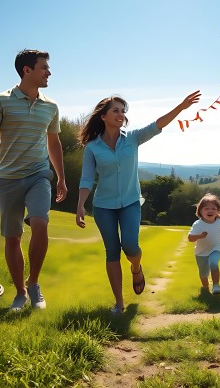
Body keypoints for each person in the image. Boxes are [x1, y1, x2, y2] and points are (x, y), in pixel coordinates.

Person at [76, 91, 201, 314]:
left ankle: (136, 267)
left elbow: (157, 125)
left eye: (123, 111)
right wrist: (80, 205)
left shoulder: (132, 138)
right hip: (103, 206)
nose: (121, 114)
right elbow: (86, 178)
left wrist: (181, 107)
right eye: (116, 110)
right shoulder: (93, 147)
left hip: (131, 202)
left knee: (131, 246)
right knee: (112, 252)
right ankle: (119, 303)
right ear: (103, 116)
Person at [0, 49, 67, 311]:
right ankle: (20, 293)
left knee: (40, 223)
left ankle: (34, 283)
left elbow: (54, 142)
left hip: (39, 174)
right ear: (27, 70)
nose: (49, 72)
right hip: (7, 178)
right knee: (13, 237)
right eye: (43, 68)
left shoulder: (51, 106)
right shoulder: (1, 101)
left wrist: (61, 177)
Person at [187, 194, 220, 295]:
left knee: (214, 263)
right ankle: (205, 287)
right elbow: (190, 238)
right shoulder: (198, 224)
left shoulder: (219, 222)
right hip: (201, 252)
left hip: (215, 249)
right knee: (203, 274)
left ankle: (216, 285)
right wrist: (199, 236)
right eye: (207, 208)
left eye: (214, 208)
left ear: (218, 211)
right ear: (200, 211)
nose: (210, 210)